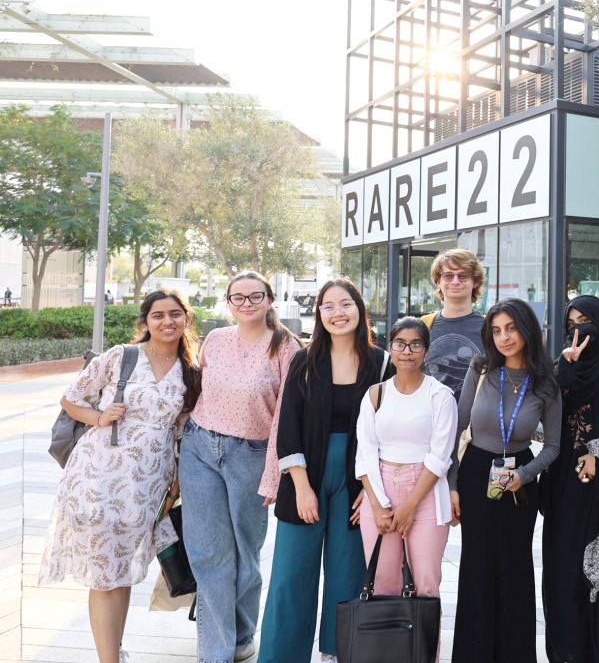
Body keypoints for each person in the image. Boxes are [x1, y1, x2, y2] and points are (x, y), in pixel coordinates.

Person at [39, 289, 201, 663]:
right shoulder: (121, 356)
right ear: (145, 321)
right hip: (97, 476)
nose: (167, 321)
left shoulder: (190, 372)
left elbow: (183, 434)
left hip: (148, 485)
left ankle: (115, 650)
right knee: (104, 571)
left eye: (175, 314)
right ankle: (109, 659)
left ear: (185, 319)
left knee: (121, 569)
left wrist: (174, 490)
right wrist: (99, 417)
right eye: (158, 315)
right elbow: (71, 398)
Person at [258, 278, 393, 663]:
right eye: (328, 306)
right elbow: (288, 427)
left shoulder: (381, 362)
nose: (338, 313)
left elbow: (388, 429)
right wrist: (301, 487)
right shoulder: (304, 360)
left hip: (357, 479)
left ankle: (338, 652)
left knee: (348, 573)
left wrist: (371, 489)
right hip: (306, 476)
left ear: (359, 309)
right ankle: (282, 656)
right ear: (319, 313)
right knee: (290, 576)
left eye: (346, 304)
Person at [180, 271, 300, 663]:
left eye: (255, 296)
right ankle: (215, 651)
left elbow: (285, 416)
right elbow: (195, 389)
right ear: (228, 302)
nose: (246, 304)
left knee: (246, 553)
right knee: (209, 552)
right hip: (200, 447)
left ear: (269, 300)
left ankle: (243, 633)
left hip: (251, 454)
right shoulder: (215, 339)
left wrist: (273, 474)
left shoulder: (286, 348)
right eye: (238, 297)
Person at [448, 298, 561, 663]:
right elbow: (458, 426)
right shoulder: (480, 368)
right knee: (476, 566)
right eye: (496, 331)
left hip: (519, 479)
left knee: (515, 569)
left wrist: (524, 475)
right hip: (476, 472)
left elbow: (554, 446)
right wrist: (451, 484)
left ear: (527, 330)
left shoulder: (546, 383)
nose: (504, 337)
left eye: (511, 328)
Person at [542, 295, 599, 663]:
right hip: (564, 485)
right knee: (563, 568)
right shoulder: (562, 367)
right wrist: (565, 367)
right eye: (571, 323)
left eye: (585, 321)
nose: (578, 329)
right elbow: (544, 414)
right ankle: (567, 651)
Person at [355, 316, 456, 600]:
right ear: (390, 348)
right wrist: (377, 505)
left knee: (425, 585)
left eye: (415, 344)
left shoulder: (440, 396)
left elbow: (440, 457)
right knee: (383, 584)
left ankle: (423, 634)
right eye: (400, 343)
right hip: (381, 489)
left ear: (426, 350)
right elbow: (364, 455)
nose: (407, 351)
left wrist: (410, 505)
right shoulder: (375, 395)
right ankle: (389, 634)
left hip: (426, 492)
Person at [423, 248, 487, 401]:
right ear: (438, 281)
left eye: (463, 276)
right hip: (429, 412)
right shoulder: (423, 325)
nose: (455, 281)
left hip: (475, 414)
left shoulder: (490, 327)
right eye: (448, 276)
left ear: (475, 282)